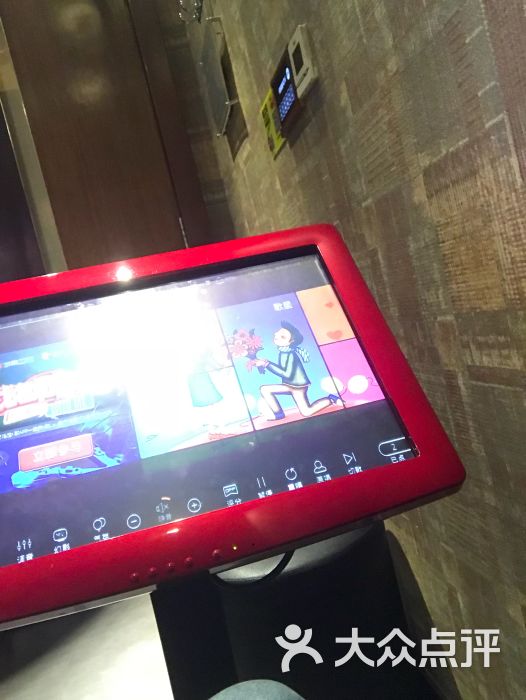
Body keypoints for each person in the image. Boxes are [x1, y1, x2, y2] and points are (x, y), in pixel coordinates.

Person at [255, 321, 341, 420]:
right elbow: (283, 370)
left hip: (298, 386)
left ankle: (330, 399)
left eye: (282, 337)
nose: (276, 335)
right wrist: (265, 364)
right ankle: (278, 414)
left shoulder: (290, 354)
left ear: (291, 342)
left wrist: (267, 364)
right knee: (265, 389)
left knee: (307, 412)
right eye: (278, 333)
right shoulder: (283, 352)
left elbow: (286, 374)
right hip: (290, 385)